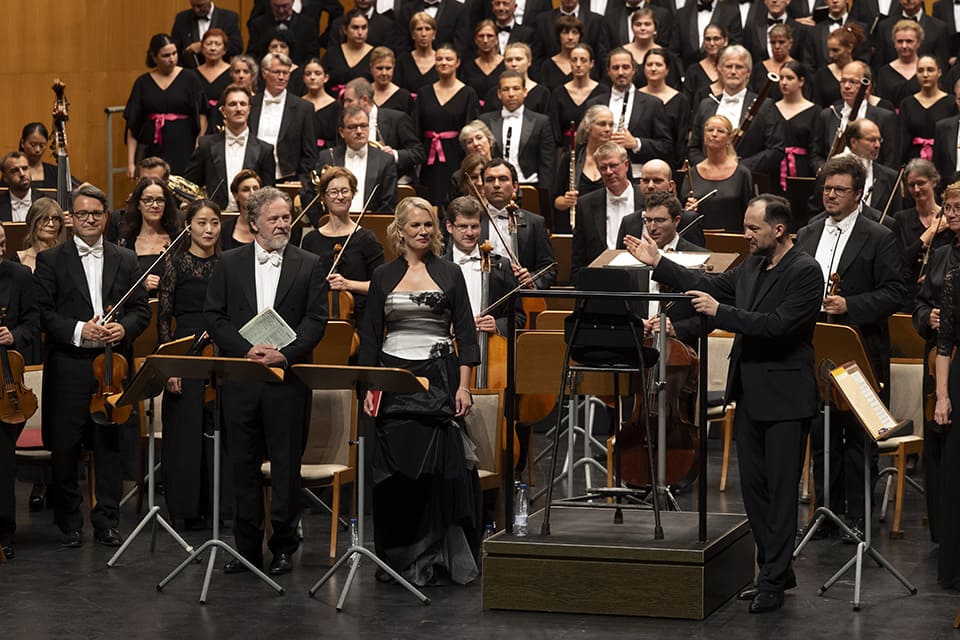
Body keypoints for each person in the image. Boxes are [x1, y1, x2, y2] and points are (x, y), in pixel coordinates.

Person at [624, 193, 824, 614]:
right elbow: (712, 285)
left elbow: (779, 326)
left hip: (786, 398)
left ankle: (772, 580)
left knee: (780, 492)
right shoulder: (752, 264)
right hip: (749, 393)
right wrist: (659, 262)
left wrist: (721, 313)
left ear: (779, 229)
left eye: (753, 228)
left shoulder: (805, 271)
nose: (745, 234)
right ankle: (776, 569)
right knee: (754, 490)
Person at [204, 186, 327, 575]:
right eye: (274, 218)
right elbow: (215, 317)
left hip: (286, 381)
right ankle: (246, 549)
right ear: (253, 222)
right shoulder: (229, 262)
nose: (283, 224)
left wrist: (285, 354)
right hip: (241, 380)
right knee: (242, 465)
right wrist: (245, 350)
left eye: (286, 217)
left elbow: (316, 321)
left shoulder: (310, 263)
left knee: (286, 466)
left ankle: (284, 547)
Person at [359, 196, 480, 586]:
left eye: (428, 224)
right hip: (393, 382)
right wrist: (369, 387)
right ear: (400, 230)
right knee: (395, 476)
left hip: (439, 380)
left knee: (435, 474)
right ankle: (398, 558)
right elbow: (370, 337)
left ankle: (433, 559)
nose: (423, 231)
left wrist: (464, 388)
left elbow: (467, 335)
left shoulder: (449, 273)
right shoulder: (382, 275)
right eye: (415, 225)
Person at [35, 183, 152, 548]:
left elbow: (141, 311)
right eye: (82, 213)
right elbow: (43, 314)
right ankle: (70, 522)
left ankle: (107, 521)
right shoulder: (51, 260)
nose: (89, 219)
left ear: (106, 217)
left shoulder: (126, 258)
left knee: (109, 445)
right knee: (66, 446)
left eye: (96, 214)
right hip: (69, 363)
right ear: (71, 218)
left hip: (112, 365)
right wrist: (79, 329)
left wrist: (123, 328)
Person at [795, 154, 905, 541]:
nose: (831, 195)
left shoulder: (879, 235)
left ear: (858, 194)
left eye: (839, 190)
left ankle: (857, 517)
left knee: (858, 438)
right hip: (816, 348)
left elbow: (896, 292)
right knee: (821, 434)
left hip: (860, 350)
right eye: (827, 188)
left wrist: (850, 305)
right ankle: (826, 513)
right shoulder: (808, 232)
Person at [158, 199, 223, 529]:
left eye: (214, 222)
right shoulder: (176, 264)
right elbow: (163, 319)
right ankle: (187, 508)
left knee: (218, 429)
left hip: (220, 352)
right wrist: (171, 366)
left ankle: (218, 506)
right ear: (188, 227)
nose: (209, 229)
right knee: (185, 432)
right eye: (201, 223)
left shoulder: (227, 264)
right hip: (186, 352)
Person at [915, 179, 960, 551]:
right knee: (937, 445)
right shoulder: (941, 253)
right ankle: (943, 532)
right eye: (949, 208)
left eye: (959, 208)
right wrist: (926, 315)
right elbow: (918, 300)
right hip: (939, 358)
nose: (953, 214)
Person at [616, 190, 707, 347]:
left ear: (676, 220)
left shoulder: (700, 257)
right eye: (648, 220)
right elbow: (620, 304)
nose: (652, 227)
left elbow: (710, 317)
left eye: (659, 220)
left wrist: (676, 329)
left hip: (682, 351)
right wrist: (635, 323)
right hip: (638, 348)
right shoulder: (630, 257)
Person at [0, 220, 41, 560]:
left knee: (3, 463)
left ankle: (3, 532)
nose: (0, 250)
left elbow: (34, 322)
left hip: (6, 385)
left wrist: (13, 335)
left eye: (1, 243)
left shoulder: (19, 276)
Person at [688, 45, 786, 179]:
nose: (733, 71)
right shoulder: (705, 105)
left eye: (739, 67)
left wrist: (737, 168)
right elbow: (693, 148)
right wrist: (709, 167)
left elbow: (776, 149)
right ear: (720, 70)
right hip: (708, 179)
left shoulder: (764, 105)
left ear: (748, 72)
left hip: (748, 179)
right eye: (728, 66)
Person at [301, 166, 384, 323]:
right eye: (333, 192)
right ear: (323, 197)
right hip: (318, 319)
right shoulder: (310, 240)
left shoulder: (366, 239)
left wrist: (348, 284)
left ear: (352, 194)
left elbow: (380, 285)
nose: (340, 197)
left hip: (358, 319)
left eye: (345, 191)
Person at [124, 34, 207, 178]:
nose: (172, 59)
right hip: (152, 147)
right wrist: (131, 163)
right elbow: (133, 124)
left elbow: (202, 114)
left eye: (174, 53)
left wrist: (198, 145)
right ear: (154, 57)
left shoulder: (190, 78)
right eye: (166, 55)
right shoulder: (142, 82)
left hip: (184, 144)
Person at [185, 84, 277, 212]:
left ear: (249, 109)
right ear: (223, 110)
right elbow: (190, 184)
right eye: (233, 104)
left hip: (252, 217)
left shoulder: (265, 149)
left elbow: (269, 194)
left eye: (243, 104)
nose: (239, 109)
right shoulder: (206, 145)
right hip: (215, 216)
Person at [931, 182, 960, 592]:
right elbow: (945, 339)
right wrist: (942, 396)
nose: (951, 214)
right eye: (948, 207)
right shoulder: (952, 267)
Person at [443, 195, 525, 336]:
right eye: (463, 226)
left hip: (491, 344)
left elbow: (519, 317)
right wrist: (450, 327)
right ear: (449, 227)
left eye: (474, 226)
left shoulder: (502, 266)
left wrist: (497, 326)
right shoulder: (439, 267)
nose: (470, 233)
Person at [415, 45, 479, 207]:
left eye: (448, 59)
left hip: (456, 156)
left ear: (457, 62)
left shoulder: (468, 93)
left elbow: (470, 128)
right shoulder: (424, 92)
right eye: (439, 59)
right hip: (428, 158)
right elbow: (416, 128)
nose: (443, 63)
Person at [811, 62, 902, 173]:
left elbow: (891, 161)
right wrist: (825, 172)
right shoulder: (828, 115)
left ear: (867, 88)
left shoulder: (885, 118)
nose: (846, 86)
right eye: (843, 81)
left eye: (853, 82)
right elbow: (816, 155)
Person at [571, 142, 641, 281]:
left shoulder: (647, 200)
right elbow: (579, 254)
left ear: (626, 165)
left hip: (639, 280)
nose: (608, 172)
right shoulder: (585, 204)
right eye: (603, 168)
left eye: (613, 165)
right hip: (599, 281)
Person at [481, 158, 555, 289]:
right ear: (482, 188)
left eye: (503, 179)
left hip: (520, 297)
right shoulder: (471, 222)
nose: (496, 185)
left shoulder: (535, 223)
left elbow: (549, 269)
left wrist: (532, 279)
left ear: (515, 186)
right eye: (490, 180)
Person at [479, 70, 556, 193]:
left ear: (525, 92)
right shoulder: (485, 121)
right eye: (506, 89)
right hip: (495, 187)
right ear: (499, 94)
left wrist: (544, 193)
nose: (511, 94)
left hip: (530, 185)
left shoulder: (541, 122)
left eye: (516, 88)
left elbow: (547, 163)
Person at [249, 51, 318, 185]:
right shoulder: (250, 104)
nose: (281, 77)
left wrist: (302, 182)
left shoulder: (304, 108)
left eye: (285, 73)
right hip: (253, 178)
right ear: (264, 73)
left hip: (288, 179)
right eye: (276, 72)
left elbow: (310, 153)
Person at [342, 78, 425, 186]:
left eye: (349, 101)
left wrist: (394, 154)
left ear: (365, 100)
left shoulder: (397, 119)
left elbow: (418, 153)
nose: (345, 106)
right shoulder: (345, 122)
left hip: (391, 183)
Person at [893, 159, 952, 310]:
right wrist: (929, 232)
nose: (916, 189)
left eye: (921, 183)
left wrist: (935, 276)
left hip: (943, 295)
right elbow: (901, 261)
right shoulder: (901, 219)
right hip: (908, 296)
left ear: (933, 181)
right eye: (911, 185)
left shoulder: (950, 218)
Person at [319, 105, 398, 214]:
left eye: (363, 125)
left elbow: (389, 203)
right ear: (341, 132)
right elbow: (316, 196)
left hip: (372, 223)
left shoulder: (385, 160)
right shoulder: (327, 157)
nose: (359, 131)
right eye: (352, 127)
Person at [605, 47, 671, 176]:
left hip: (637, 175)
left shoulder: (653, 104)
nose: (620, 72)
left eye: (625, 67)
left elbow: (665, 146)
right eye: (615, 68)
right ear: (608, 71)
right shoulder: (595, 102)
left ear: (633, 70)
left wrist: (636, 143)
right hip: (602, 173)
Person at [683, 115, 755, 233]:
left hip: (733, 238)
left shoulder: (742, 173)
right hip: (698, 238)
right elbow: (681, 212)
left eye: (720, 131)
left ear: (729, 138)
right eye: (710, 130)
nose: (714, 134)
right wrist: (687, 209)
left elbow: (751, 212)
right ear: (704, 136)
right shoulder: (692, 173)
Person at [114, 177, 185, 294]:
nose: (155, 205)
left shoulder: (179, 238)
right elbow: (117, 287)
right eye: (148, 200)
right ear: (138, 204)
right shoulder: (126, 241)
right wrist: (141, 288)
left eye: (160, 200)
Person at [553, 105, 614, 234]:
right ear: (587, 127)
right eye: (602, 124)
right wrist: (566, 201)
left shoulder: (619, 159)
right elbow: (556, 201)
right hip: (576, 228)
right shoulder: (570, 158)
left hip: (608, 227)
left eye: (611, 125)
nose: (608, 129)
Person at [548, 43, 611, 147]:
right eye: (574, 60)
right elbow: (554, 128)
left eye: (583, 60)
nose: (578, 64)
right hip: (565, 149)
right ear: (570, 63)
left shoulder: (603, 91)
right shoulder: (558, 93)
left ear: (591, 63)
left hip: (596, 148)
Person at [639, 48, 691, 170]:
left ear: (667, 69)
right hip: (640, 162)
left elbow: (682, 137)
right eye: (649, 64)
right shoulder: (634, 96)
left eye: (658, 64)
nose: (653, 68)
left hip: (671, 163)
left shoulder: (680, 100)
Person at [900, 55, 956, 164]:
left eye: (930, 70)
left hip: (944, 160)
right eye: (920, 71)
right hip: (913, 161)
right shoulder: (907, 104)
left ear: (939, 72)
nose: (925, 75)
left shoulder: (951, 102)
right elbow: (902, 140)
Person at [775, 61, 817, 194]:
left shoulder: (815, 111)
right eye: (781, 78)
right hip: (775, 168)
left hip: (802, 169)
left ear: (801, 81)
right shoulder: (771, 108)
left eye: (789, 78)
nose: (784, 82)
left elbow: (815, 147)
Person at [480, 43, 551, 114]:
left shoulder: (542, 93)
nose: (513, 64)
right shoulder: (493, 93)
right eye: (509, 60)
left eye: (518, 59)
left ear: (529, 61)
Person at [169, 0, 243, 68]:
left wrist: (202, 46)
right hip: (190, 73)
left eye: (200, 6)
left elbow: (236, 47)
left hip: (221, 72)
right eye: (193, 6)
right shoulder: (182, 18)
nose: (196, 10)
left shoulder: (229, 18)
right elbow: (175, 49)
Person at [246, 0, 321, 65]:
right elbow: (252, 55)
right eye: (276, 6)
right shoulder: (258, 24)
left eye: (285, 6)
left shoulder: (308, 25)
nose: (281, 11)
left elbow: (312, 56)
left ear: (293, 2)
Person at [321, 9, 374, 95]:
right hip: (334, 101)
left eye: (364, 27)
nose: (360, 32)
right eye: (355, 27)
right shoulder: (332, 54)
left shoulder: (375, 55)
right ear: (345, 30)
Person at [810, 24, 863, 108]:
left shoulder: (863, 71)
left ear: (850, 48)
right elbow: (817, 106)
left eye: (835, 50)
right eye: (829, 50)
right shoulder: (821, 74)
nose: (830, 55)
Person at [874, 20, 924, 109]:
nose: (904, 46)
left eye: (909, 41)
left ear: (918, 43)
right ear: (894, 43)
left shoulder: (927, 69)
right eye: (900, 41)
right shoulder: (884, 72)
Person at [192, 28, 234, 131]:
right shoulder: (192, 74)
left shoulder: (233, 72)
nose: (213, 48)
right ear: (202, 48)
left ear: (224, 49)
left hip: (226, 122)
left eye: (217, 44)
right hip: (199, 124)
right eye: (208, 44)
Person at [13, 198, 68, 276]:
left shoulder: (68, 257)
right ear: (33, 222)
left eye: (56, 219)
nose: (51, 224)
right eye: (44, 219)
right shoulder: (18, 260)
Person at [300, 58, 341, 155]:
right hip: (301, 154)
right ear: (303, 78)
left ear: (326, 77)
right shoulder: (297, 104)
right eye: (308, 74)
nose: (312, 77)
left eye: (317, 73)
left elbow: (337, 138)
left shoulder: (336, 106)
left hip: (327, 155)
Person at [682, 24, 727, 111]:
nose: (712, 43)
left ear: (725, 41)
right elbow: (687, 105)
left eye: (716, 39)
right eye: (708, 39)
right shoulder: (693, 71)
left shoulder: (734, 69)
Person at [460, 21, 504, 102]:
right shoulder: (468, 68)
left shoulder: (506, 65)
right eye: (481, 36)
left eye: (490, 36)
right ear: (476, 40)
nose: (485, 40)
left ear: (497, 39)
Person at [396, 12, 439, 94]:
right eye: (419, 29)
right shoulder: (403, 60)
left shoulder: (441, 60)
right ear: (412, 34)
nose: (423, 34)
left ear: (434, 34)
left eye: (427, 29)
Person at [538, 16, 584, 91]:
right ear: (558, 36)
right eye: (565, 32)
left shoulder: (587, 65)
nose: (570, 37)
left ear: (580, 36)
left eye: (574, 32)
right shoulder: (547, 66)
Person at [370, 47, 415, 113]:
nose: (384, 73)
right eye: (379, 68)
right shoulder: (363, 94)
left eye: (388, 68)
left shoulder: (404, 97)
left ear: (394, 68)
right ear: (371, 68)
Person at [0, 152, 38, 222]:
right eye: (15, 171)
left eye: (25, 168)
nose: (22, 174)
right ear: (5, 177)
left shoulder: (46, 201)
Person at [17, 123, 57, 188]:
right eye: (33, 145)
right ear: (22, 143)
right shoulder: (13, 170)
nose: (38, 150)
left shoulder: (55, 172)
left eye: (42, 145)